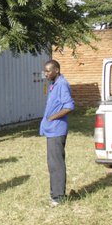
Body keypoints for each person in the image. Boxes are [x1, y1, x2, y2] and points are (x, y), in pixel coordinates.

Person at [40, 59, 75, 207]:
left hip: (57, 129)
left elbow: (69, 106)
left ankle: (59, 197)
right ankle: (55, 194)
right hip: (52, 129)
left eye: (48, 71)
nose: (46, 74)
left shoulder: (62, 84)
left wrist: (52, 118)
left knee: (56, 164)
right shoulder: (54, 84)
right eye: (45, 71)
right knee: (52, 163)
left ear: (56, 70)